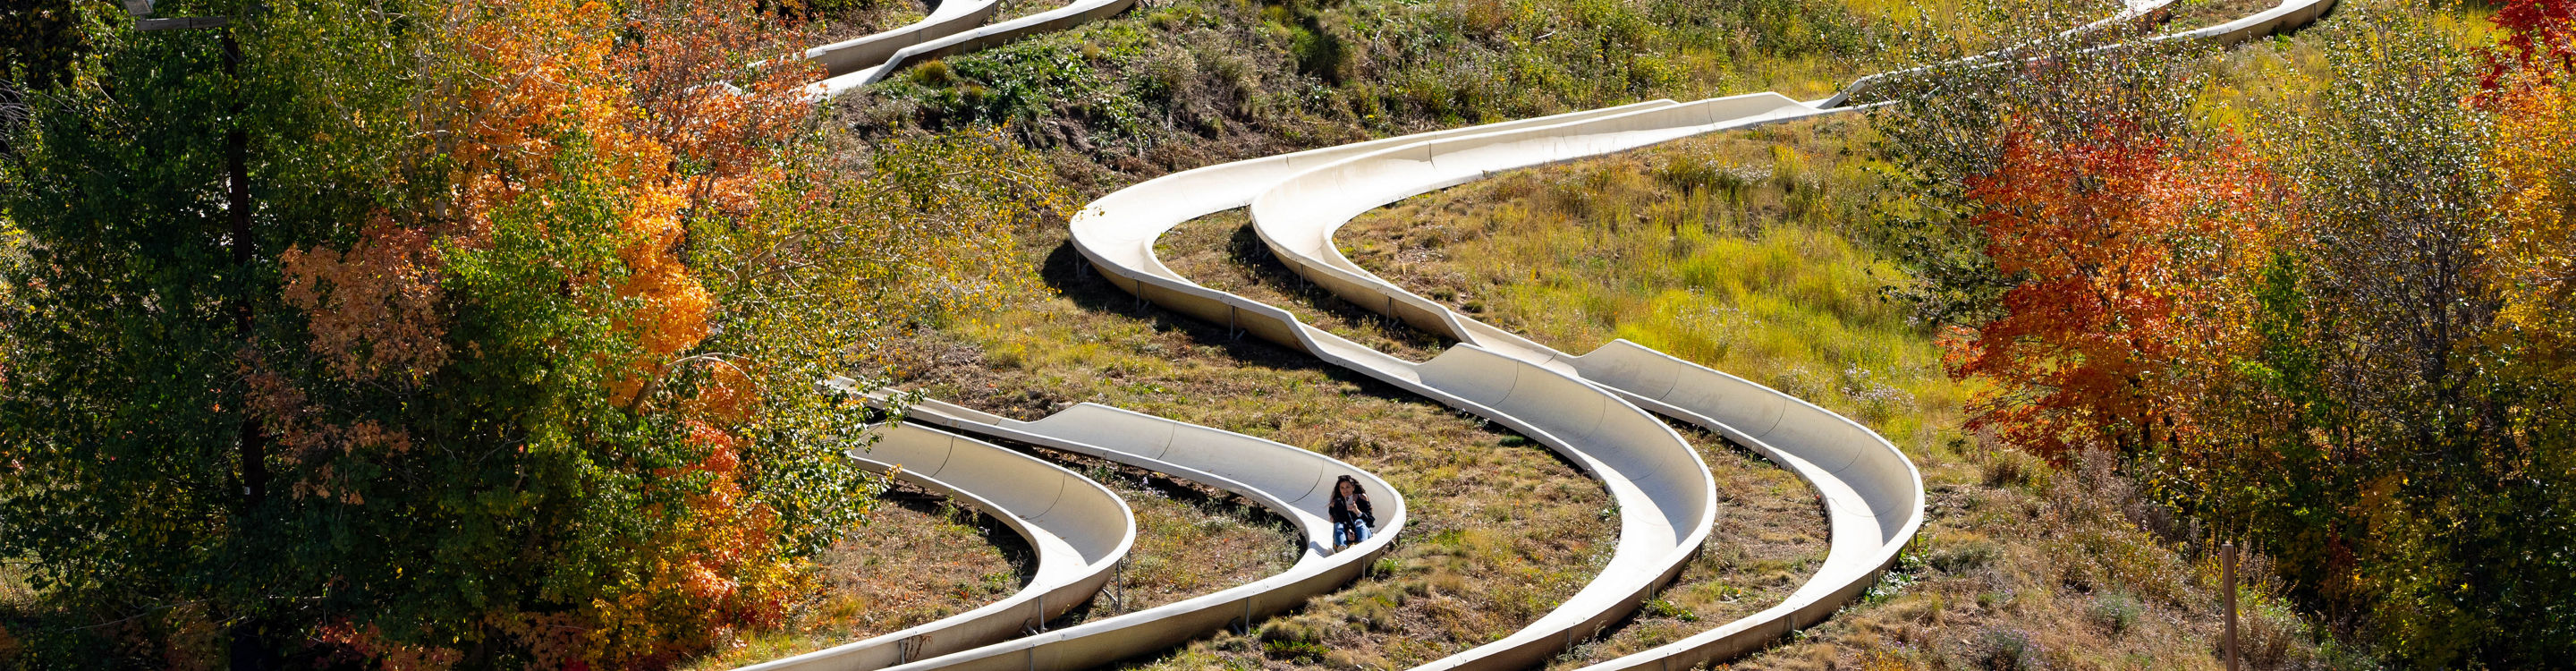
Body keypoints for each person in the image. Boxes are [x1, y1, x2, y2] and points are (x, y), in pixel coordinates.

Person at [1326, 474, 1375, 552]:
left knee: (1359, 522)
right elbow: (1338, 520)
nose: (1345, 490)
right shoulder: (1337, 502)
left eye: (1347, 487)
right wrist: (1348, 530)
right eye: (1342, 488)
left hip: (1363, 533)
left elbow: (1370, 521)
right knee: (1338, 525)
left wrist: (1357, 512)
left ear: (1353, 488)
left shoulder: (1362, 497)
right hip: (1346, 536)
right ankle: (1342, 548)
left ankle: (1363, 546)